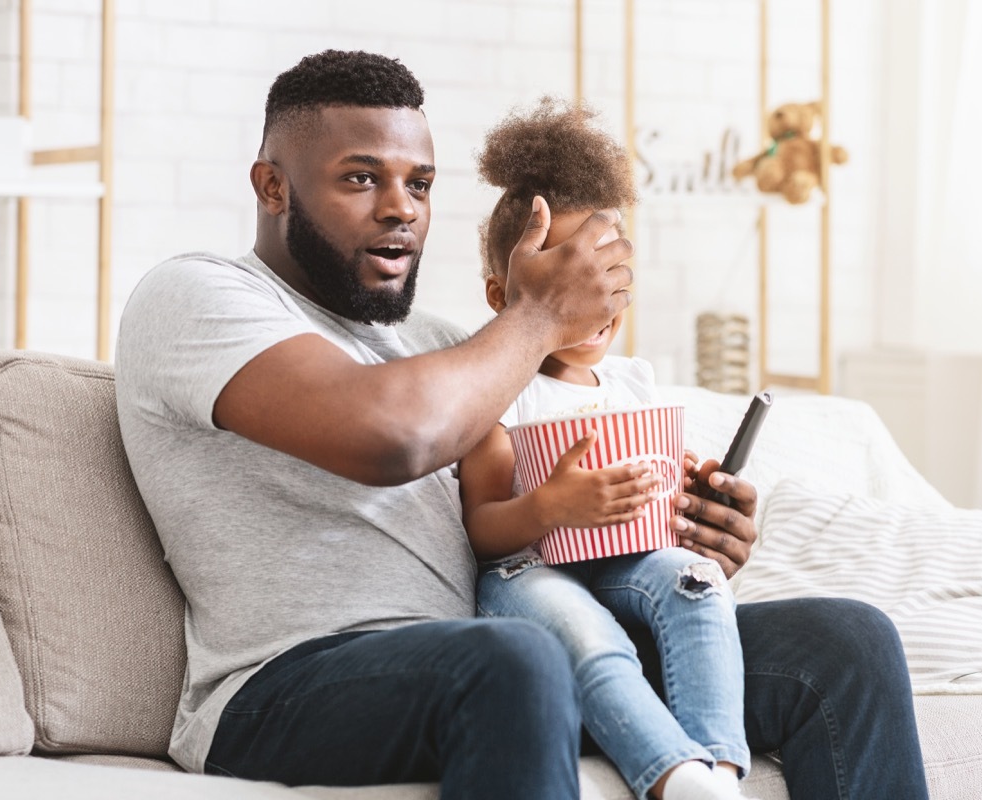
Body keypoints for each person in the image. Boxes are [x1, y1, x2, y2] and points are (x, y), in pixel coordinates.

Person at [114, 49, 931, 800]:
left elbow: (526, 518)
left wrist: (680, 530)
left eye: (421, 184)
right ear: (272, 187)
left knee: (845, 644)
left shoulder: (445, 344)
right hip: (287, 686)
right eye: (362, 179)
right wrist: (538, 313)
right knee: (516, 658)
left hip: (509, 655)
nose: (401, 209)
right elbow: (391, 436)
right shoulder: (199, 296)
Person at [460, 98, 751, 800]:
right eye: (568, 276)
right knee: (587, 633)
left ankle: (718, 766)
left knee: (697, 583)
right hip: (529, 571)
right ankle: (676, 777)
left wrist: (684, 492)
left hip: (628, 558)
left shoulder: (633, 379)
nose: (594, 298)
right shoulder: (497, 385)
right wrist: (549, 506)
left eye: (608, 276)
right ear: (502, 293)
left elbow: (661, 493)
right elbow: (484, 528)